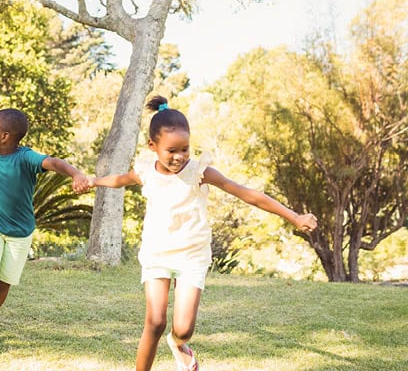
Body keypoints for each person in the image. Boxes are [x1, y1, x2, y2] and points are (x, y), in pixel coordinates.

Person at [88, 96, 318, 371]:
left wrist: (294, 216)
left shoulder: (200, 171)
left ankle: (178, 344)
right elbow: (118, 180)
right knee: (155, 321)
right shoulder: (145, 171)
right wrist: (93, 181)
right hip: (157, 253)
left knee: (183, 328)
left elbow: (248, 194)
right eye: (171, 150)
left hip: (192, 255)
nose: (179, 156)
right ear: (153, 146)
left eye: (185, 149)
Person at [0, 108, 90, 353]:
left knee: (4, 283)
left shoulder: (26, 158)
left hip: (20, 232)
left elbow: (53, 162)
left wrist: (76, 173)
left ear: (5, 136)